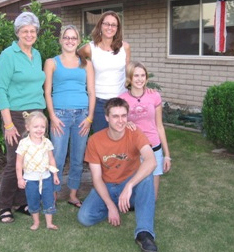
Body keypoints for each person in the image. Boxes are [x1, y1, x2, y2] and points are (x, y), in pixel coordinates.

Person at [78, 97, 158, 252]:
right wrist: (110, 206)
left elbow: (151, 161)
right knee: (85, 218)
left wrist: (129, 186)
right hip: (107, 186)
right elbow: (96, 178)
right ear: (107, 118)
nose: (120, 121)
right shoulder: (95, 140)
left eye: (123, 116)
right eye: (115, 116)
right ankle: (118, 204)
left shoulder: (134, 133)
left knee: (147, 176)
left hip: (130, 184)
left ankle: (144, 234)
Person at [0, 12, 46, 223]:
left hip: (38, 115)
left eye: (32, 31)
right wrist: (7, 124)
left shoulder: (38, 54)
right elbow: (0, 89)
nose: (29, 34)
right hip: (15, 115)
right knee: (14, 161)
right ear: (17, 32)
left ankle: (24, 201)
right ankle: (4, 206)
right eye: (25, 31)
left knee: (33, 160)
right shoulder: (9, 54)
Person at [44, 25, 95, 207]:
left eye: (74, 38)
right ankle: (54, 194)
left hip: (82, 116)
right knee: (56, 157)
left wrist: (89, 118)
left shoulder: (86, 64)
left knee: (77, 158)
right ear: (61, 40)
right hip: (60, 116)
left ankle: (73, 194)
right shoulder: (52, 62)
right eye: (67, 37)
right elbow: (47, 92)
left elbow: (91, 92)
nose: (70, 41)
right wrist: (52, 116)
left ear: (78, 41)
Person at [119, 62, 171, 200]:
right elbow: (117, 125)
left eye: (143, 75)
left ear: (146, 78)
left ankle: (150, 203)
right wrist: (125, 123)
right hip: (133, 147)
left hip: (153, 145)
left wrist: (167, 155)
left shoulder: (154, 96)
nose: (140, 79)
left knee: (153, 179)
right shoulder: (122, 99)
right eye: (136, 75)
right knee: (134, 178)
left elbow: (159, 125)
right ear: (129, 78)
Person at [78, 11, 131, 133]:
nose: (110, 27)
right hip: (99, 103)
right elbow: (75, 57)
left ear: (117, 29)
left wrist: (143, 90)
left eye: (114, 25)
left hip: (120, 100)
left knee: (120, 139)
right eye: (106, 24)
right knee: (101, 139)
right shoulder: (90, 48)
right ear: (100, 25)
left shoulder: (125, 47)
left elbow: (129, 75)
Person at [16, 111, 60, 230]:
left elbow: (51, 159)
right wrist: (20, 178)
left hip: (45, 178)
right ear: (28, 127)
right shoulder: (24, 144)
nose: (39, 129)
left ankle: (49, 223)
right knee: (33, 201)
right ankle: (36, 222)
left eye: (42, 127)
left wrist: (55, 174)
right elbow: (19, 162)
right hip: (30, 179)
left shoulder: (47, 142)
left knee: (48, 200)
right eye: (36, 127)